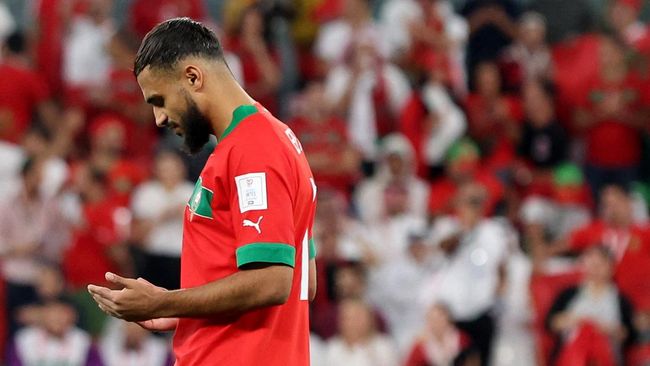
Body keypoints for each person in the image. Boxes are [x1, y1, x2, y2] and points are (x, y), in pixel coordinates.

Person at [87, 18, 317, 366]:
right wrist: (182, 310)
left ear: (193, 77)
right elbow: (305, 280)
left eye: (160, 100)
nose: (158, 119)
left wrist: (164, 302)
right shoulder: (272, 138)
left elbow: (273, 281)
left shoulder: (253, 150)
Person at [546, 246, 635, 366]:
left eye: (600, 265)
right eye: (591, 264)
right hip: (571, 356)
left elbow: (630, 334)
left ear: (611, 268)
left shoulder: (621, 300)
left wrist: (608, 330)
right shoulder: (569, 293)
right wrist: (574, 320)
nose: (595, 269)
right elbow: (551, 322)